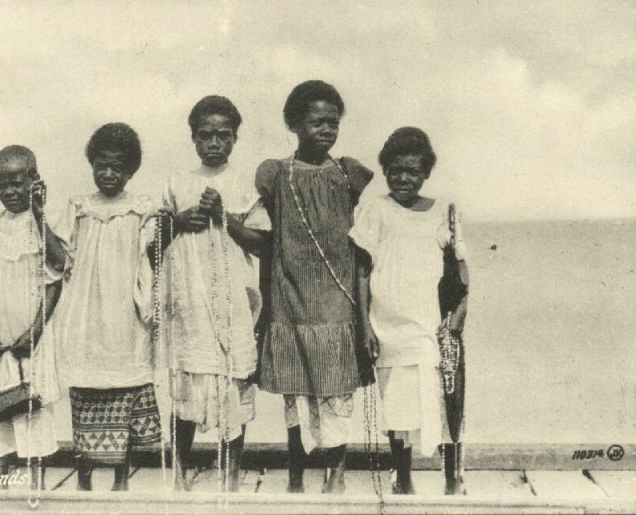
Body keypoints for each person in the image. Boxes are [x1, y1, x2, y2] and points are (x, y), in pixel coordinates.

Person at [255, 80, 374, 493]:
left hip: (336, 302)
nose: (325, 129)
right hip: (290, 301)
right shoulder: (276, 174)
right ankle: (294, 478)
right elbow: (265, 239)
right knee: (296, 396)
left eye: (332, 122)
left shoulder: (349, 174)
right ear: (293, 124)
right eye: (315, 122)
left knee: (338, 394)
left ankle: (336, 476)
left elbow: (372, 235)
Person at [157, 95, 269, 492]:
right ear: (193, 138)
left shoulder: (243, 184)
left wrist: (225, 216)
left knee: (232, 386)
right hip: (190, 301)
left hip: (231, 303)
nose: (214, 143)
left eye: (223, 135)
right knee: (188, 385)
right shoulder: (177, 182)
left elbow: (260, 243)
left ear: (235, 138)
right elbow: (154, 242)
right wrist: (178, 222)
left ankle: (231, 474)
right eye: (206, 135)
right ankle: (180, 470)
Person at [350, 127, 470, 495]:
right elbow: (361, 269)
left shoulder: (443, 213)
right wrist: (364, 327)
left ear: (426, 173)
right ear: (385, 170)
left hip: (430, 324)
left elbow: (462, 267)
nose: (404, 178)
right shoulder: (375, 210)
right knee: (397, 406)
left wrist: (461, 311)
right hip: (387, 326)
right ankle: (403, 479)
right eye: (396, 170)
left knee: (445, 396)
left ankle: (452, 479)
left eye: (413, 171)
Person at [52, 123, 162, 491]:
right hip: (84, 313)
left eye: (117, 167)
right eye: (102, 165)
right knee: (84, 392)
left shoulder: (142, 208)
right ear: (91, 165)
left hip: (124, 316)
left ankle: (120, 480)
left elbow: (153, 258)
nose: (109, 174)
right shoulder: (79, 207)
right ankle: (83, 479)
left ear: (131, 170)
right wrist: (38, 212)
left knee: (124, 394)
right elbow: (59, 258)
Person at [0, 145, 63, 490]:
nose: (10, 192)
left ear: (35, 182)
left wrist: (36, 330)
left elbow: (57, 273)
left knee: (33, 409)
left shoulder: (42, 226)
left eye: (19, 183)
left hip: (29, 341)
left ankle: (36, 489)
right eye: (3, 184)